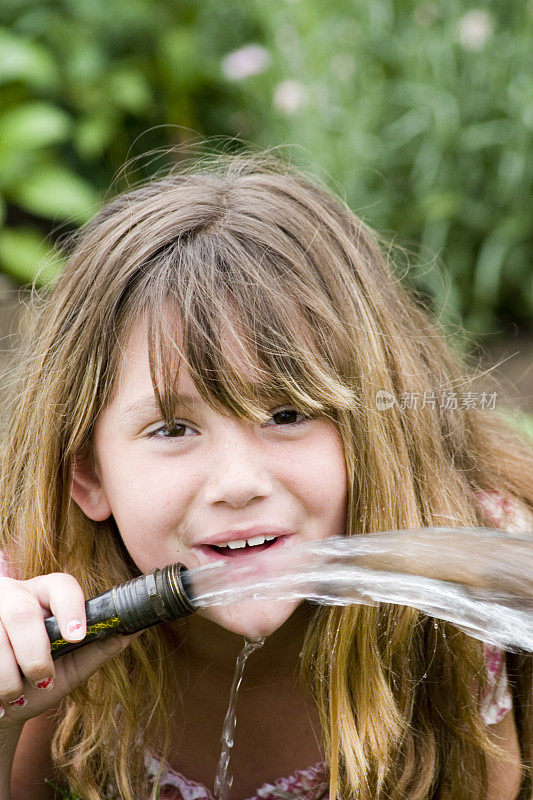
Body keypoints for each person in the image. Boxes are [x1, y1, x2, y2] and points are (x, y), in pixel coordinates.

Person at [0, 150, 531, 800]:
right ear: (88, 474)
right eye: (172, 429)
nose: (238, 482)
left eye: (286, 413)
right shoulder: (39, 604)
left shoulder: (458, 586)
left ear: (368, 432)